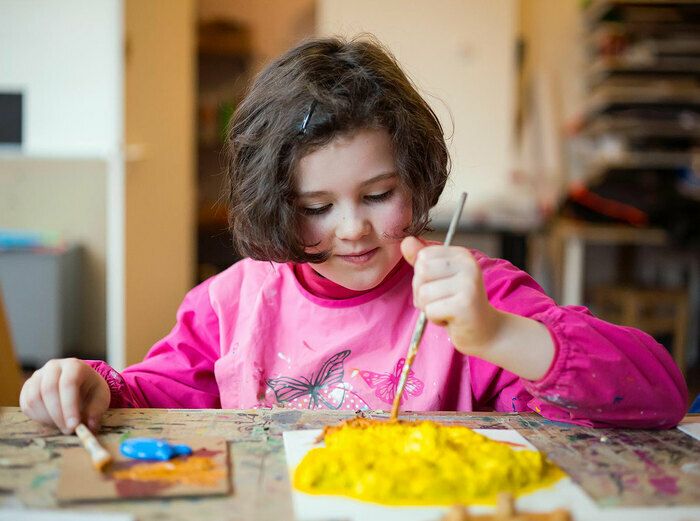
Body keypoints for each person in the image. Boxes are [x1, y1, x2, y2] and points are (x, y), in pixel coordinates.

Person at [20, 36, 688, 434]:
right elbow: (154, 395)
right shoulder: (230, 305)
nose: (355, 228)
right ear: (274, 203)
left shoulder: (472, 300)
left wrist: (499, 335)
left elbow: (660, 394)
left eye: (378, 194)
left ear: (417, 174)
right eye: (316, 206)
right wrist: (94, 387)